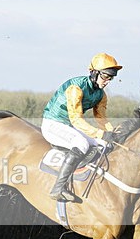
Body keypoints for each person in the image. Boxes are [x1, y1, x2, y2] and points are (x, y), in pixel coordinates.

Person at [41, 53, 121, 202]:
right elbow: (76, 119)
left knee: (104, 144)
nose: (108, 81)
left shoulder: (101, 94)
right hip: (53, 124)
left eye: (111, 78)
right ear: (94, 72)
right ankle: (58, 188)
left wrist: (112, 134)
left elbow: (101, 118)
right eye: (105, 77)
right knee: (81, 144)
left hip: (69, 127)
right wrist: (99, 133)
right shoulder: (76, 88)